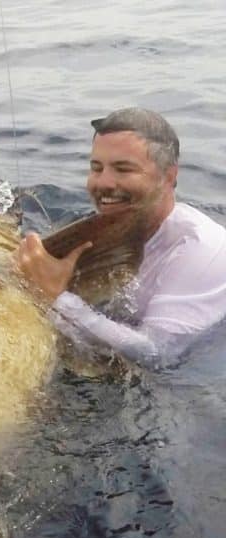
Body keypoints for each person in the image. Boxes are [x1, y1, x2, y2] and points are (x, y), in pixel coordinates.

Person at [13, 107, 226, 367]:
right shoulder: (109, 230)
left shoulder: (206, 249)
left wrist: (56, 297)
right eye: (96, 168)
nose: (104, 183)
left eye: (123, 169)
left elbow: (156, 354)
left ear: (169, 176)